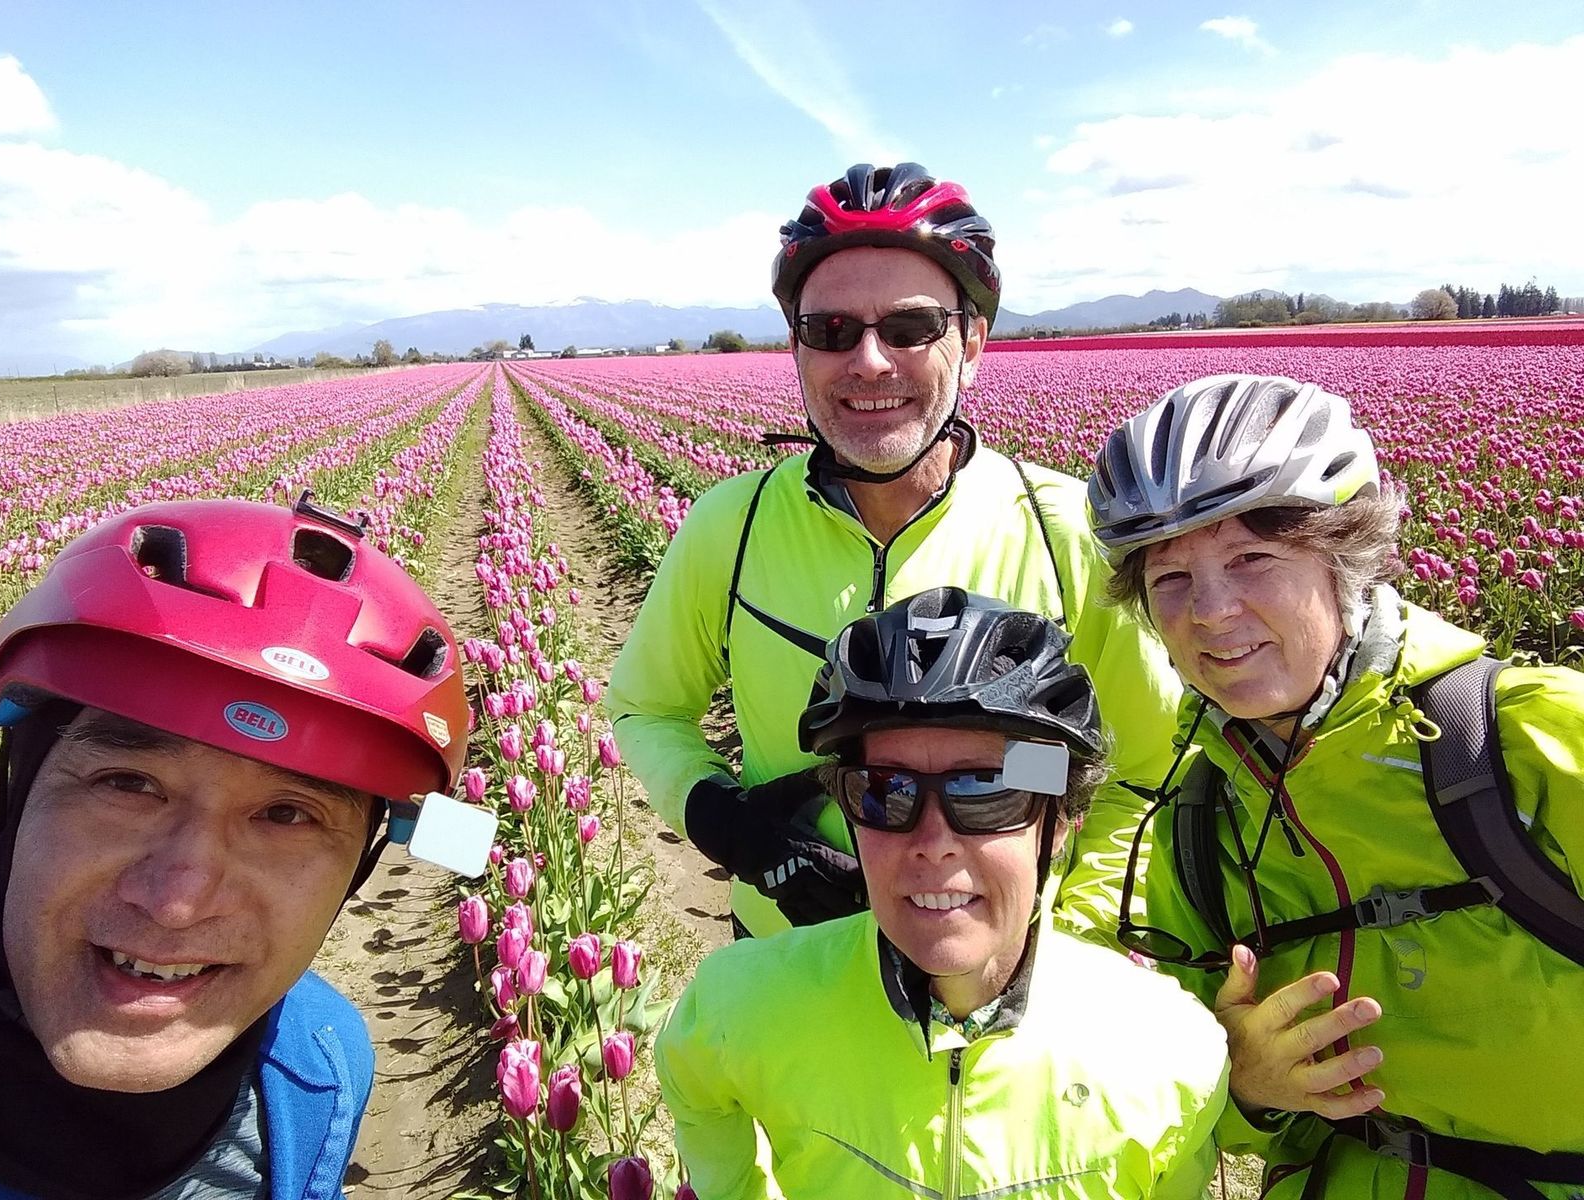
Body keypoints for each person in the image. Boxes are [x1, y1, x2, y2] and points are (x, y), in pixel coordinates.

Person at [607, 162, 1181, 940]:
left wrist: (1072, 932)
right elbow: (647, 708)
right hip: (788, 955)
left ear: (971, 343)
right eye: (831, 330)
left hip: (1005, 970)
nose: (870, 361)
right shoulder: (729, 527)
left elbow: (1145, 767)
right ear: (796, 348)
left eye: (912, 328)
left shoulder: (1065, 531)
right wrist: (725, 823)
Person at [1087, 373, 1584, 1199]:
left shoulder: (1527, 740)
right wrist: (1244, 1083)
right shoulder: (1200, 814)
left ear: (1345, 557)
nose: (1210, 611)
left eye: (1252, 559)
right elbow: (1188, 1101)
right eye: (1169, 579)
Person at [655, 587, 1229, 1198]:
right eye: (885, 791)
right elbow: (692, 1086)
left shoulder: (1171, 1053)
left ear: (1061, 821)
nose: (934, 844)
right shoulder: (739, 1005)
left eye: (987, 791)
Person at [0, 493, 470, 1200]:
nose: (177, 903)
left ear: (359, 867)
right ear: (16, 796)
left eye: (286, 815)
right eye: (128, 783)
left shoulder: (316, 1068)